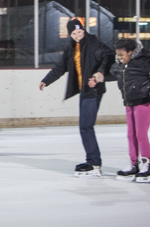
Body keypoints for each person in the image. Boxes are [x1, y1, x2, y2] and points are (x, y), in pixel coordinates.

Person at [39, 18, 115, 177]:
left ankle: (94, 164)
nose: (77, 35)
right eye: (74, 33)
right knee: (85, 127)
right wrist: (46, 80)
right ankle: (92, 161)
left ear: (84, 30)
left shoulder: (94, 44)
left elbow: (109, 55)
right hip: (84, 90)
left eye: (79, 32)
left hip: (93, 90)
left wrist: (100, 72)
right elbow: (60, 68)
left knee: (86, 127)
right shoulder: (71, 48)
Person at [91, 39, 150, 182]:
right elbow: (112, 74)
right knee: (131, 134)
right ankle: (134, 164)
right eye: (118, 55)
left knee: (141, 134)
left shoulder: (144, 62)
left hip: (144, 100)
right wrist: (98, 78)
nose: (119, 58)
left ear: (131, 52)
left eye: (122, 55)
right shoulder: (120, 66)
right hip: (129, 102)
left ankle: (147, 165)